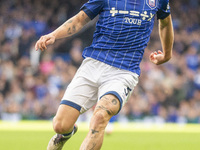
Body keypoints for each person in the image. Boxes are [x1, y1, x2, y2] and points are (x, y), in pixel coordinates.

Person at [35, 0, 174, 149]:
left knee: (100, 116)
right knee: (60, 125)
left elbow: (165, 23)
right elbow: (80, 19)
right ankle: (65, 134)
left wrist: (167, 54)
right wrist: (54, 35)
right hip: (93, 64)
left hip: (124, 70)